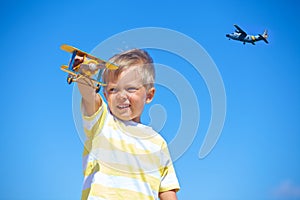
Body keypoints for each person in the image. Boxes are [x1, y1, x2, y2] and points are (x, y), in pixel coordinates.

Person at [76, 48, 180, 200]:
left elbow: (166, 190)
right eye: (113, 89)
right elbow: (89, 96)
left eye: (130, 88)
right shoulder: (102, 123)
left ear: (149, 95)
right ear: (105, 95)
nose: (121, 96)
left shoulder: (158, 143)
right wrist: (84, 76)